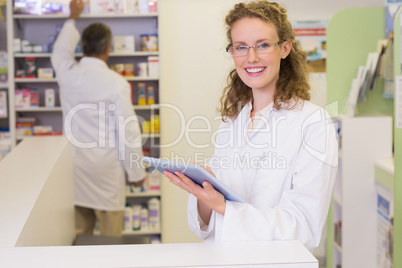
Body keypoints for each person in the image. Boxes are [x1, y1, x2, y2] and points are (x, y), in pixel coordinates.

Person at [163, 0, 337, 251]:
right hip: (224, 258)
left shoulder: (313, 123)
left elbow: (304, 227)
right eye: (241, 47)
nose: (251, 57)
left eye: (263, 45)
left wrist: (224, 207)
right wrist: (204, 194)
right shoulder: (233, 121)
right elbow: (209, 224)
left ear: (285, 48)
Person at [51, 0, 146, 237]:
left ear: (82, 46)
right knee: (110, 241)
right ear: (108, 49)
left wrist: (73, 17)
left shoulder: (67, 74)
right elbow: (128, 132)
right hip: (105, 170)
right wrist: (136, 173)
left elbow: (60, 51)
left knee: (76, 236)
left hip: (75, 167)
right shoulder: (116, 83)